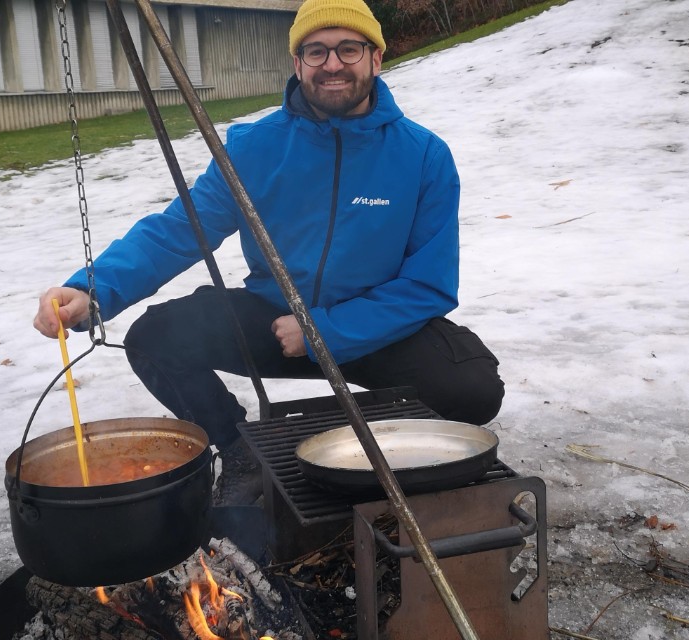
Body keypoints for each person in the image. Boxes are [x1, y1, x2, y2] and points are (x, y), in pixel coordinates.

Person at [32, 0, 503, 505]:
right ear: (297, 64)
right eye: (315, 51)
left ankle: (383, 452)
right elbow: (178, 230)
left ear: (376, 58)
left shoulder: (423, 156)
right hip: (274, 322)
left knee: (472, 388)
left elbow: (428, 284)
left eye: (349, 48)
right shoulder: (253, 148)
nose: (333, 64)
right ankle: (238, 449)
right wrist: (90, 289)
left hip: (374, 328)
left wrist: (327, 332)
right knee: (155, 338)